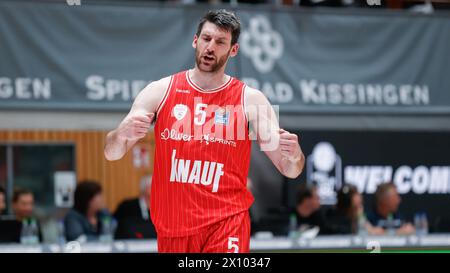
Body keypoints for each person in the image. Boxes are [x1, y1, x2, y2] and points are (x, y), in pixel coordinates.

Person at [104, 9, 305, 253]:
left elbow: (290, 169)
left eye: (220, 42)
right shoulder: (160, 90)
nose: (211, 47)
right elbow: (112, 153)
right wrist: (120, 134)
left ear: (233, 50)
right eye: (206, 38)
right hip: (173, 227)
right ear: (195, 40)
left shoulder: (251, 101)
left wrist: (295, 155)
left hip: (226, 221)